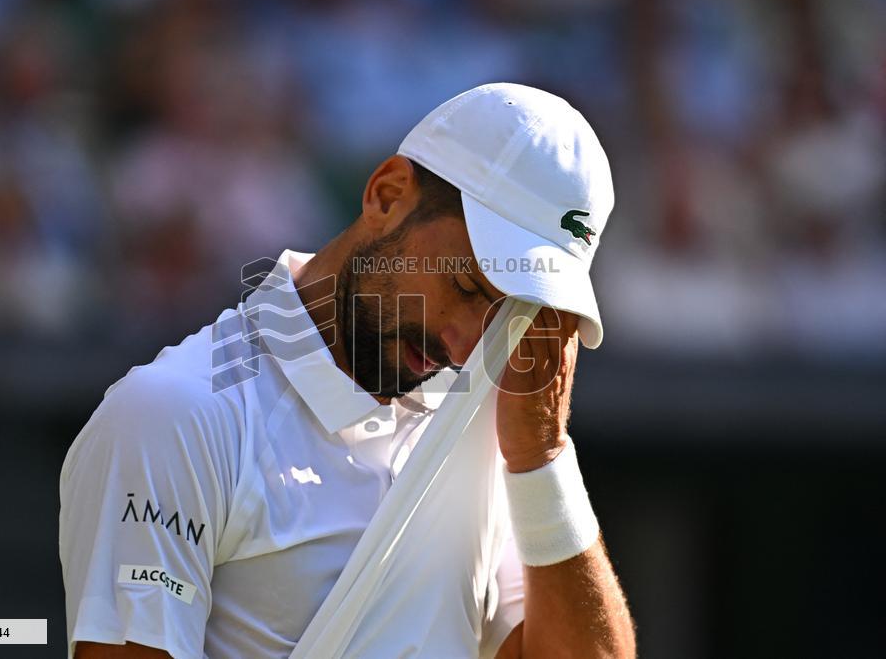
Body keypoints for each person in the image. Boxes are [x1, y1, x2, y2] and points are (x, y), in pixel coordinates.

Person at [59, 83, 636, 658]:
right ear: (387, 196)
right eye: (464, 286)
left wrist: (543, 455)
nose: (465, 348)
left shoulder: (489, 432)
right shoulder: (170, 419)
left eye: (502, 317)